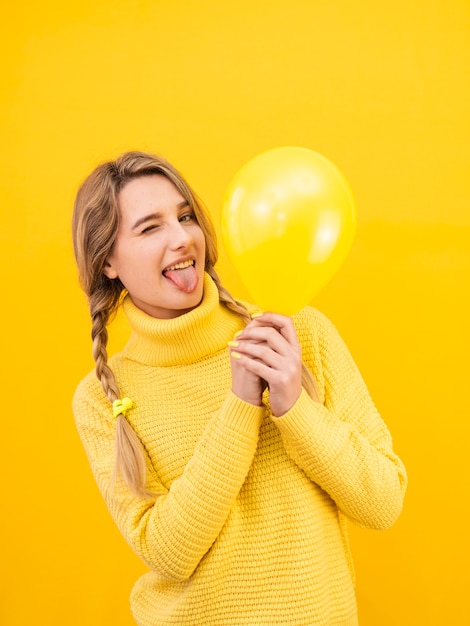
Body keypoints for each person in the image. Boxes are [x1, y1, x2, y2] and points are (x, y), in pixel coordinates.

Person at [72, 150, 407, 626]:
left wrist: (296, 408)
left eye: (185, 217)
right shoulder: (102, 395)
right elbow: (168, 553)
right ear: (108, 260)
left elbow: (384, 503)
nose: (182, 238)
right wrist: (241, 404)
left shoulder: (298, 334)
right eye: (150, 228)